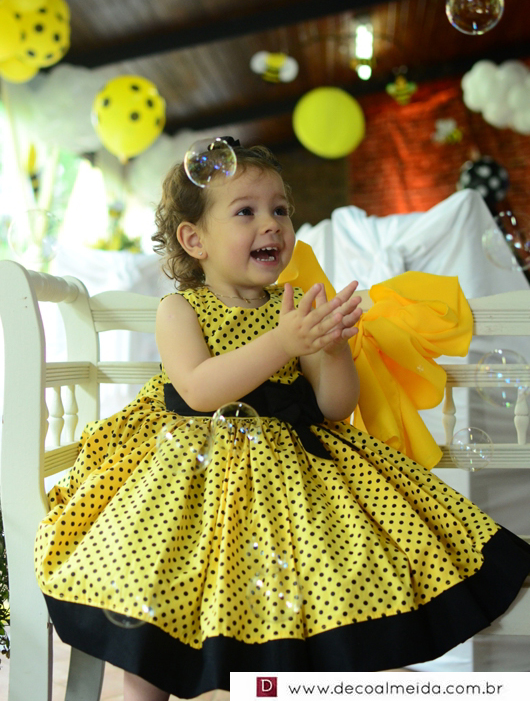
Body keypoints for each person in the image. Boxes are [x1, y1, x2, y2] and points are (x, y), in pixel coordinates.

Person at [35, 142, 530, 700]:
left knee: (313, 596)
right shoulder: (181, 308)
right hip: (187, 489)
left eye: (280, 210)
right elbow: (198, 389)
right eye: (245, 211)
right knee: (152, 606)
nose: (271, 223)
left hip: (290, 494)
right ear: (194, 240)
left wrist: (332, 346)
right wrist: (284, 342)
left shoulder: (293, 307)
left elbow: (335, 406)